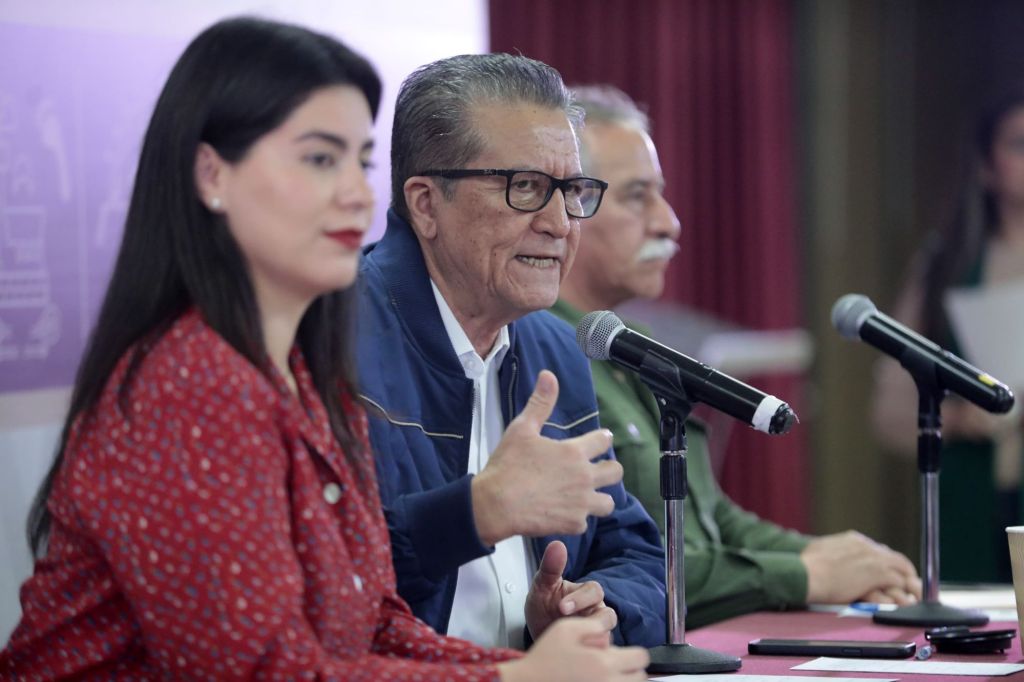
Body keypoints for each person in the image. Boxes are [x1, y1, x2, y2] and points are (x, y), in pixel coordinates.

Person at [0, 20, 649, 681]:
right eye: (319, 159)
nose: (356, 194)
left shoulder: (295, 370)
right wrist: (511, 677)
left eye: (359, 162)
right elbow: (261, 672)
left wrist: (525, 667)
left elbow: (374, 620)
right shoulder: (189, 379)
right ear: (212, 174)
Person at [552, 84, 922, 628]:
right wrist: (805, 574)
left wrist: (831, 557)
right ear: (572, 207)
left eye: (660, 195)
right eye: (637, 196)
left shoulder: (627, 344)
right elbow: (645, 564)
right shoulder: (544, 355)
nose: (668, 223)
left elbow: (711, 519)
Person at [357, 55, 665, 650]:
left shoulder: (557, 348)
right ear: (426, 204)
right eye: (525, 187)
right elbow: (318, 576)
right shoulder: (331, 340)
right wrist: (474, 513)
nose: (560, 223)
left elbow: (633, 550)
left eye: (571, 191)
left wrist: (596, 607)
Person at [872, 86, 1024, 583]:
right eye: (1019, 144)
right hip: (972, 502)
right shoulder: (947, 264)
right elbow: (890, 409)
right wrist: (958, 417)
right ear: (986, 167)